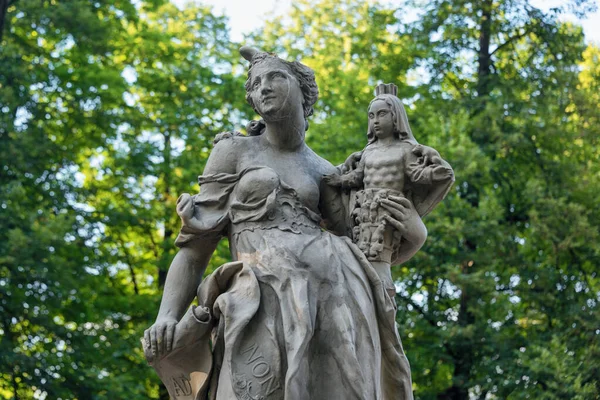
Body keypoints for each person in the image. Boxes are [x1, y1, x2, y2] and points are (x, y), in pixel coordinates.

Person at [143, 47, 429, 400]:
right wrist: (166, 316)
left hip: (334, 297)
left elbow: (368, 250)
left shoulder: (326, 172)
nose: (264, 87)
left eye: (276, 77)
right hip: (259, 300)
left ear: (303, 89)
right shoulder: (234, 152)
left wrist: (415, 235)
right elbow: (194, 248)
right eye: (256, 83)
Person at [324, 84, 454, 300]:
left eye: (382, 114)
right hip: (364, 209)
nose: (375, 120)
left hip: (388, 210)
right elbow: (359, 177)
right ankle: (364, 297)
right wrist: (339, 180)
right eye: (371, 115)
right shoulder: (367, 152)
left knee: (378, 262)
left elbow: (417, 175)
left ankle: (380, 300)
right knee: (361, 258)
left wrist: (438, 169)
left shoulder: (405, 150)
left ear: (396, 117)